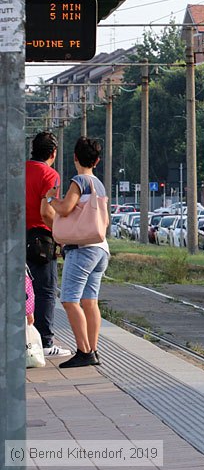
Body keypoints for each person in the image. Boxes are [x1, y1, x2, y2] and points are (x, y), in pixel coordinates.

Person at [46, 137, 109, 368]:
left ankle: (84, 351)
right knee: (90, 301)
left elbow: (65, 208)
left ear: (75, 157)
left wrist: (50, 198)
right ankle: (94, 349)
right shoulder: (98, 184)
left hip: (82, 249)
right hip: (100, 249)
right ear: (97, 161)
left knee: (69, 300)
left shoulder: (79, 181)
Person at [25, 131, 71, 358]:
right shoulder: (50, 175)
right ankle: (44, 342)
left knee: (21, 290)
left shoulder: (18, 170)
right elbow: (46, 212)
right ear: (53, 153)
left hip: (17, 236)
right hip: (41, 239)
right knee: (45, 291)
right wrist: (60, 235)